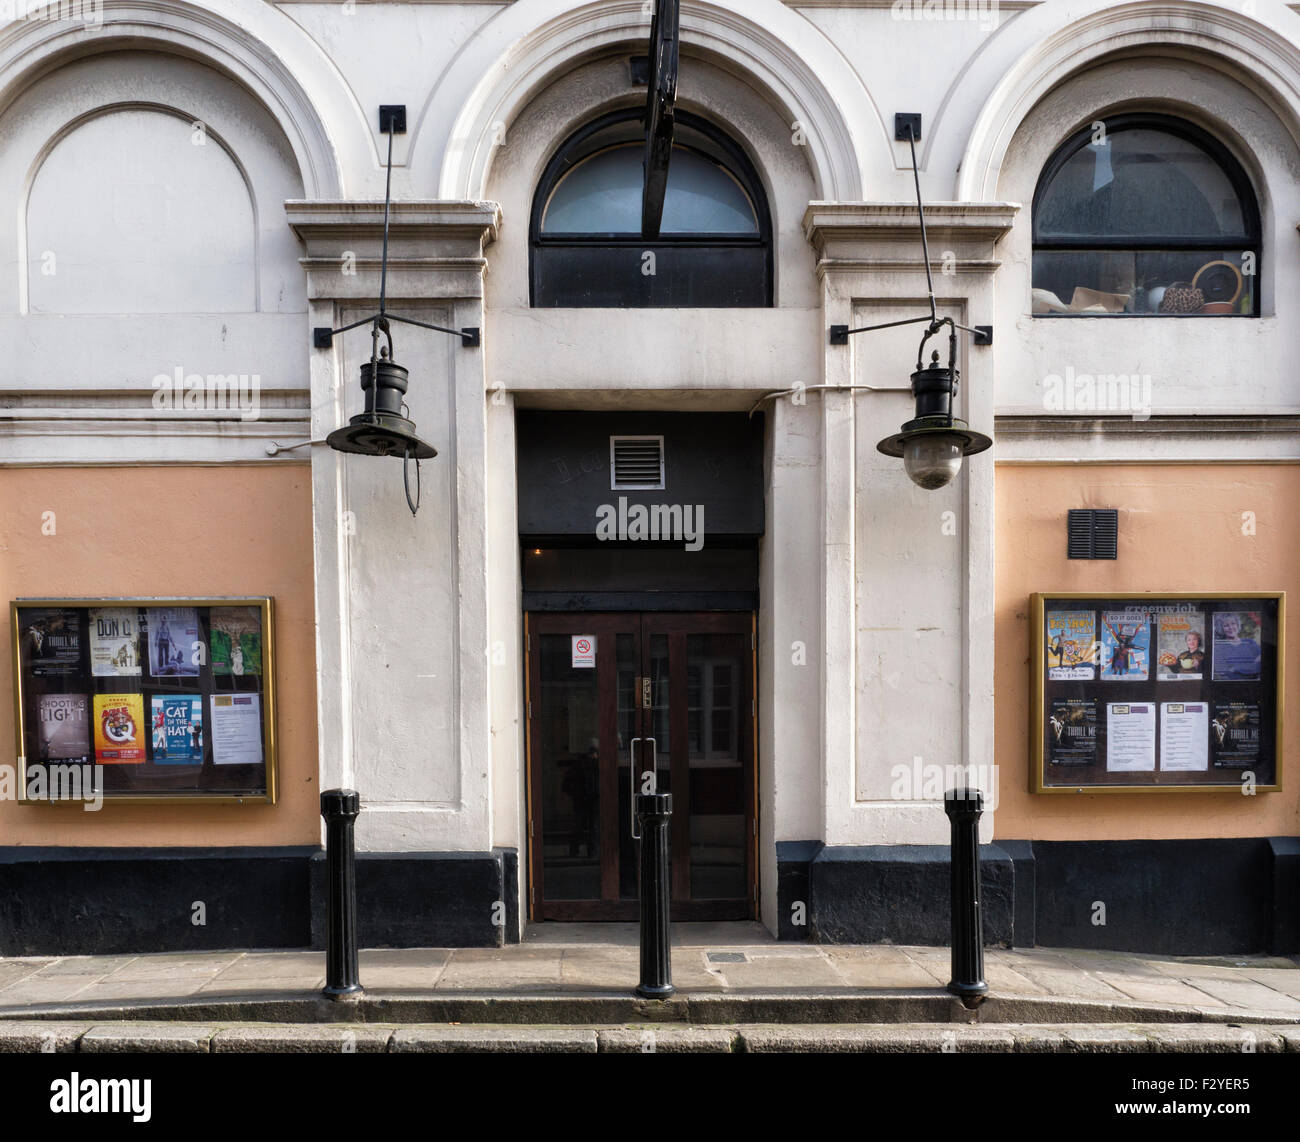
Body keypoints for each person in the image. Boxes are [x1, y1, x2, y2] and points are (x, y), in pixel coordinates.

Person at [1214, 613, 1261, 680]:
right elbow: (1224, 674)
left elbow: (1260, 666)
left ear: (1237, 625)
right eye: (1226, 625)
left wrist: (1236, 668)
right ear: (1221, 628)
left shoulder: (1250, 642)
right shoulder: (1218, 649)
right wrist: (1252, 666)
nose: (1231, 628)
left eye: (1233, 623)